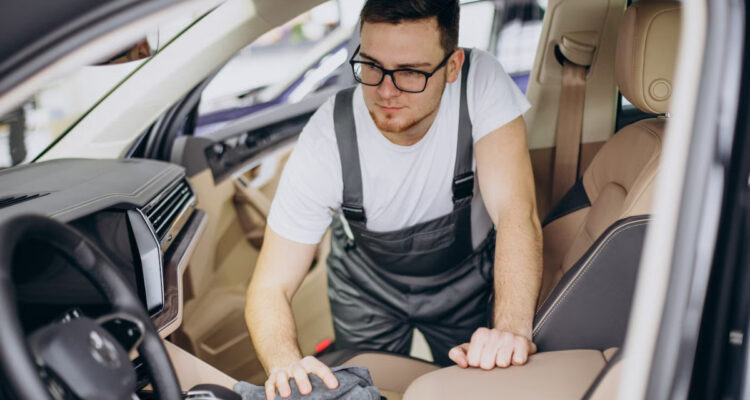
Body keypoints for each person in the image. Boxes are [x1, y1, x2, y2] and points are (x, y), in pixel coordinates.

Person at [245, 0, 542, 398]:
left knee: (472, 385)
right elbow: (270, 286)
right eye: (371, 66)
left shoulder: (480, 82)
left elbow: (515, 214)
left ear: (452, 66)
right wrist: (284, 362)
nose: (385, 91)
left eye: (410, 73)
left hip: (464, 280)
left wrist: (508, 333)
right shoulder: (328, 136)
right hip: (366, 289)